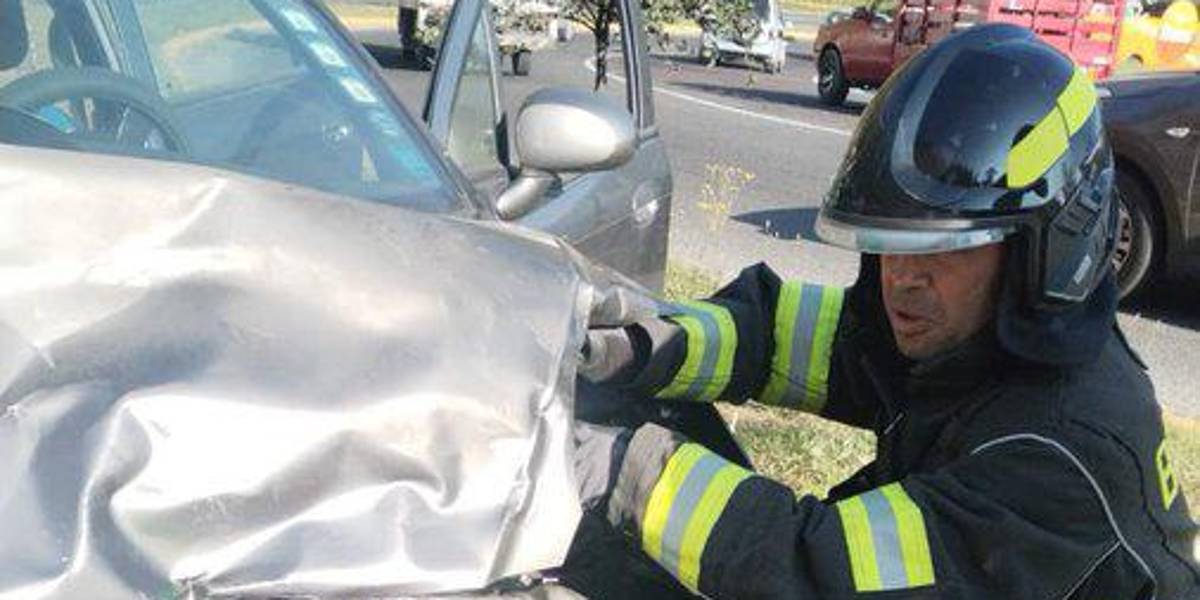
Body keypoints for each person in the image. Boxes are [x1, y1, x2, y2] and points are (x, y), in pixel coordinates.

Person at [572, 24, 1199, 599]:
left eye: (945, 249)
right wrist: (631, 342)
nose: (902, 280)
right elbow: (777, 333)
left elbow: (812, 570)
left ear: (1042, 249)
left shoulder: (1061, 457)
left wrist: (619, 468)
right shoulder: (993, 331)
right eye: (891, 246)